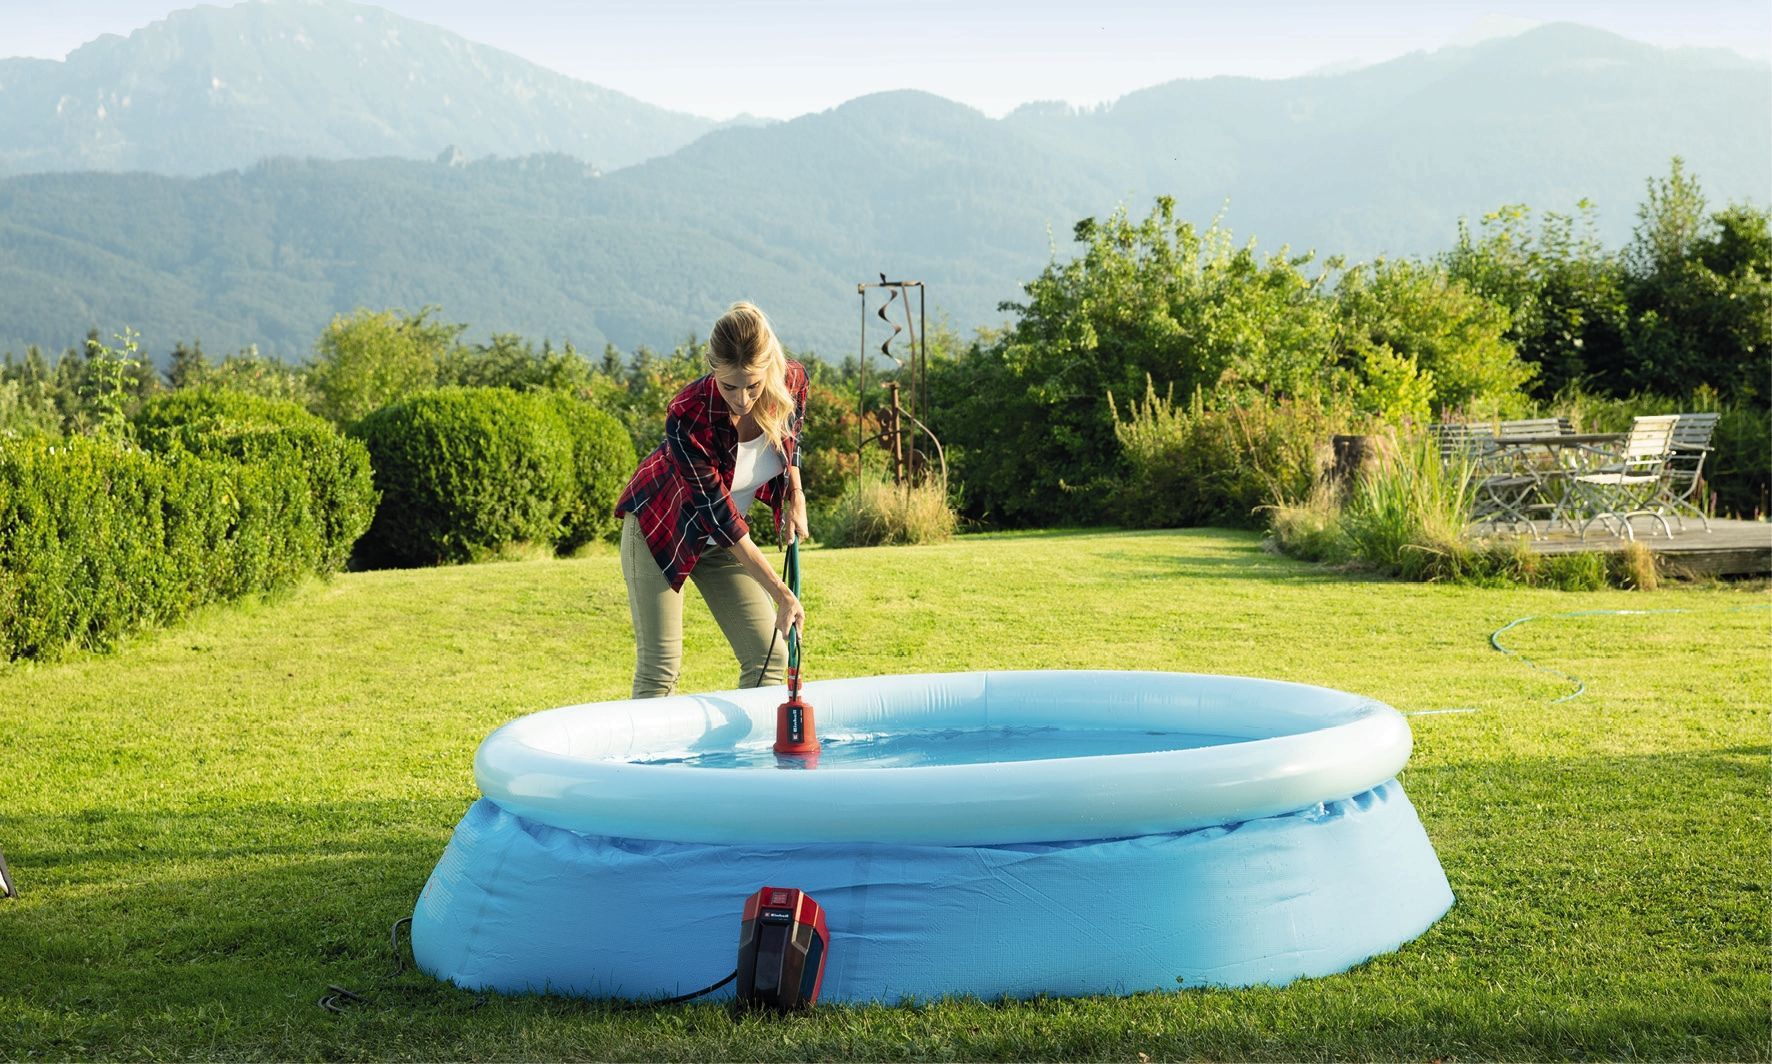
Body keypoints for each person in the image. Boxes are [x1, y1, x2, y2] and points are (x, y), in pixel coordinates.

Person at [614, 301, 810, 698]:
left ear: (770, 367)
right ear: (712, 369)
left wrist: (795, 494)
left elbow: (793, 438)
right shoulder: (688, 415)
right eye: (729, 386)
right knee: (660, 670)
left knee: (768, 658)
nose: (742, 399)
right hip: (660, 532)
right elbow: (718, 515)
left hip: (721, 542)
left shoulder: (792, 381)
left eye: (753, 385)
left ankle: (747, 761)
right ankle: (641, 763)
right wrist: (781, 592)